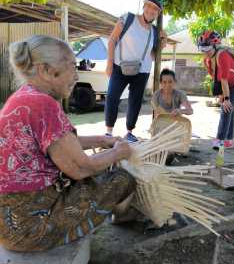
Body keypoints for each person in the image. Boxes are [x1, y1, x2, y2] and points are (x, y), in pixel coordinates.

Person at [0, 35, 136, 252]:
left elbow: (58, 145)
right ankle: (123, 217)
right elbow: (80, 168)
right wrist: (118, 153)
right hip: (30, 229)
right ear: (46, 70)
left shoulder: (23, 97)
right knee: (121, 179)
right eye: (72, 66)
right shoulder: (44, 104)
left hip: (8, 225)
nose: (76, 75)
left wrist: (102, 139)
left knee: (96, 175)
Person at [105, 0, 167, 143]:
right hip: (120, 66)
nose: (151, 11)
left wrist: (162, 44)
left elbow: (152, 55)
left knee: (135, 101)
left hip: (142, 70)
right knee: (112, 98)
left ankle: (129, 132)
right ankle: (108, 132)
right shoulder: (127, 19)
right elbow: (112, 40)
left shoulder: (154, 31)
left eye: (156, 9)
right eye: (150, 6)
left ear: (158, 13)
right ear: (144, 6)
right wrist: (109, 63)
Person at [197, 30, 234, 150]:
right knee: (229, 108)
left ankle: (220, 141)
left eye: (207, 48)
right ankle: (228, 140)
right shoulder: (207, 60)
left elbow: (224, 79)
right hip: (228, 85)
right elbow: (216, 78)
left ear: (215, 46)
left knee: (226, 107)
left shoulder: (223, 56)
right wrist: (221, 94)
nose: (205, 52)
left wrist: (226, 98)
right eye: (202, 49)